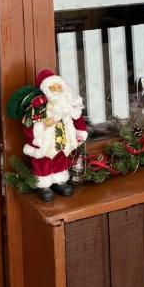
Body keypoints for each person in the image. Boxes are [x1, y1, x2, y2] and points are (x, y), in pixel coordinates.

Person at [16, 70, 89, 201]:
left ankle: (59, 181)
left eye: (58, 86)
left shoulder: (67, 106)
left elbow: (77, 120)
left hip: (62, 142)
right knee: (43, 163)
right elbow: (29, 126)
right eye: (52, 87)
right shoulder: (39, 108)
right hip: (45, 144)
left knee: (60, 160)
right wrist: (36, 140)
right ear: (45, 90)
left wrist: (80, 134)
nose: (56, 90)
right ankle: (43, 185)